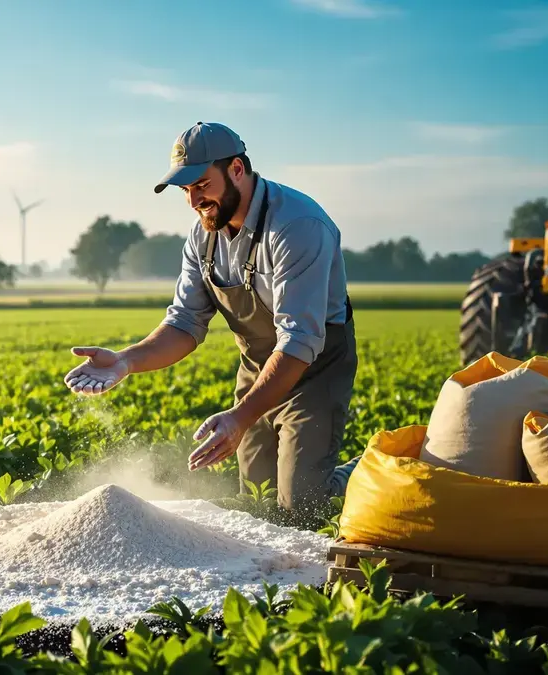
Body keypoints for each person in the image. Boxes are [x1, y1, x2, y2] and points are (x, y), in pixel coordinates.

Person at [64, 121, 362, 520]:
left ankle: (369, 468)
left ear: (237, 169)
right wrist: (126, 361)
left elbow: (299, 341)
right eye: (186, 190)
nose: (193, 201)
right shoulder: (204, 235)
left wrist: (240, 418)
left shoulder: (297, 227)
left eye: (201, 184)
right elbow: (184, 324)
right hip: (259, 368)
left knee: (302, 507)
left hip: (314, 369)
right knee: (259, 506)